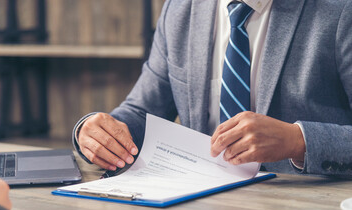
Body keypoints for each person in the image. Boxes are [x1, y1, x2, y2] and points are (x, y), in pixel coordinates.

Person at [73, 0, 352, 177]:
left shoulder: (341, 10)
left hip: (304, 208)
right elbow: (141, 112)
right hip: (199, 205)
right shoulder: (179, 9)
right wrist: (95, 131)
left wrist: (297, 141)